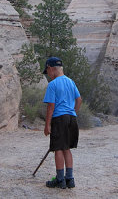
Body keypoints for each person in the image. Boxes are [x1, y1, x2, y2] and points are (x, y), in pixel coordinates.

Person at [42, 57, 82, 189]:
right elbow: (79, 100)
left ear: (51, 68)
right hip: (71, 118)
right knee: (67, 148)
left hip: (59, 119)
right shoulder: (71, 82)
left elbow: (51, 107)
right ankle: (69, 179)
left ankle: (60, 180)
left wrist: (47, 125)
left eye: (47, 71)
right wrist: (73, 112)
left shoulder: (52, 85)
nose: (48, 74)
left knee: (58, 148)